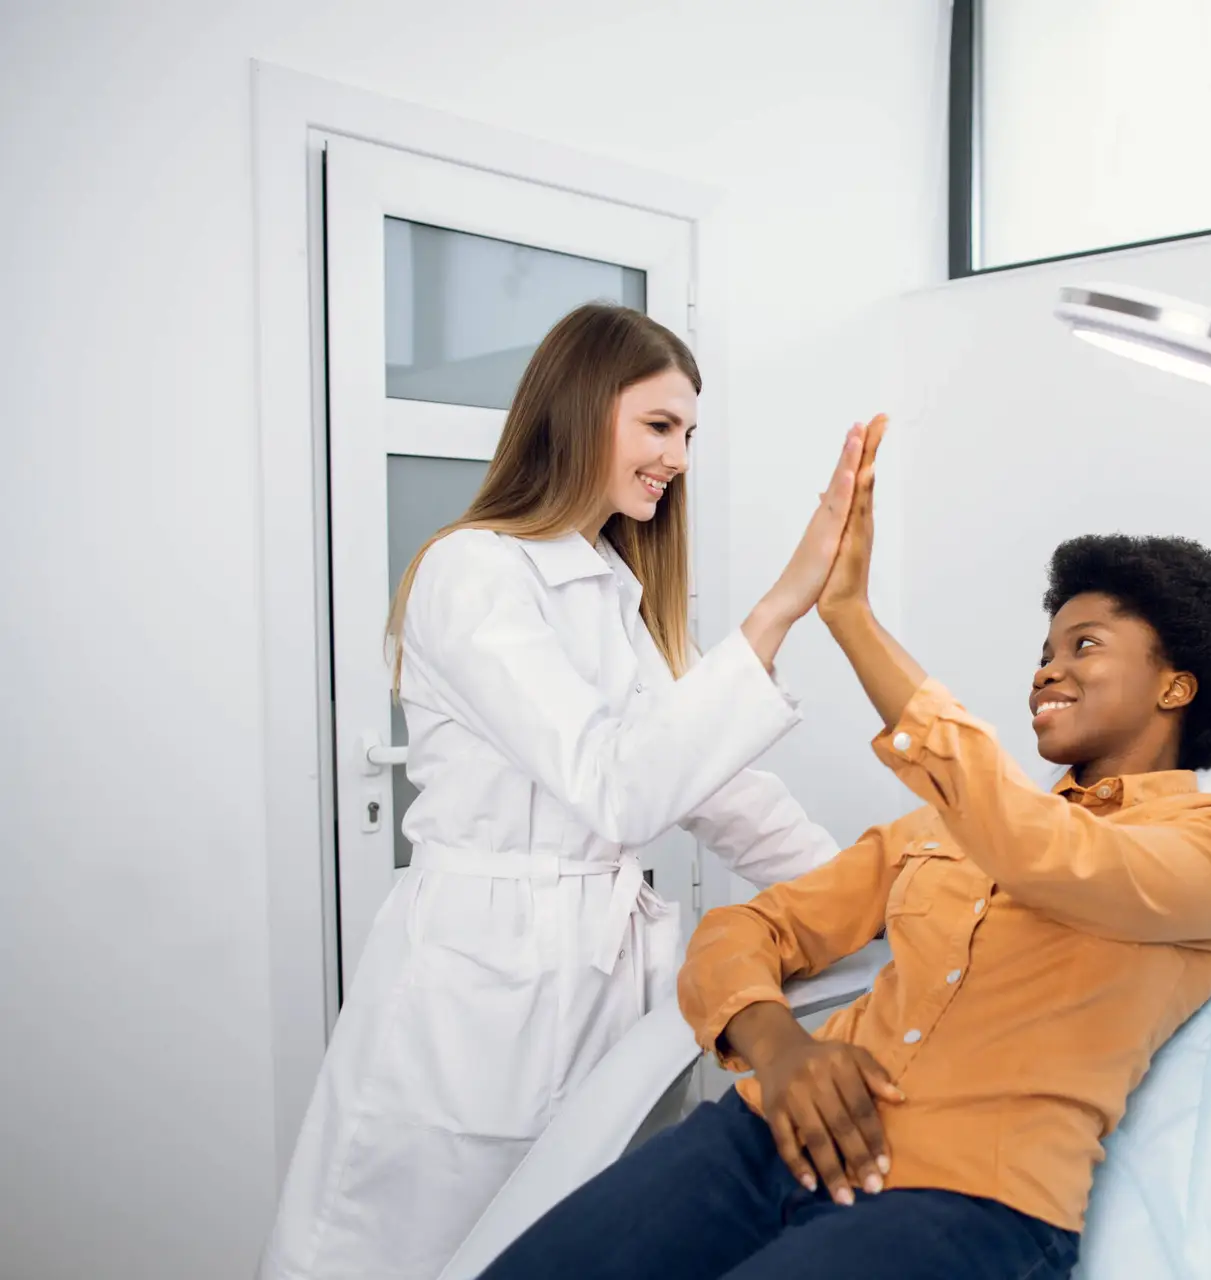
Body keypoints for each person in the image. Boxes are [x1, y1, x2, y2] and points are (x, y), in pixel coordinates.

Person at [480, 420, 1211, 1280]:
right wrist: (780, 1049)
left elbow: (1048, 858)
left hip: (971, 1203)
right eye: (1044, 651)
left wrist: (848, 618)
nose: (1046, 670)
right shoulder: (943, 829)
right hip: (765, 1138)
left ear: (1176, 684)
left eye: (1084, 646)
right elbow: (750, 928)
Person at [259, 304, 880, 1280]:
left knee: (565, 1244)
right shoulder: (475, 572)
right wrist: (778, 608)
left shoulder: (608, 582)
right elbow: (618, 790)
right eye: (659, 426)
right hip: (481, 978)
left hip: (597, 982)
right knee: (415, 1247)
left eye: (687, 435)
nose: (677, 456)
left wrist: (886, 893)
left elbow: (717, 788)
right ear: (584, 410)